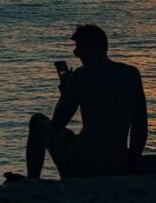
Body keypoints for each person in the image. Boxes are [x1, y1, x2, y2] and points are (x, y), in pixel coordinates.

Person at [24, 24, 148, 179]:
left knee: (37, 121)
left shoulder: (81, 75)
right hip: (118, 163)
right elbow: (140, 127)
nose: (77, 55)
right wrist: (131, 159)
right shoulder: (131, 74)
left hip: (83, 163)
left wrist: (65, 92)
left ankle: (32, 180)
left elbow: (57, 124)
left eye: (78, 50)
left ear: (87, 49)